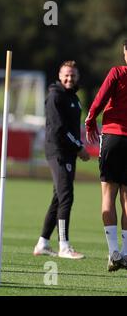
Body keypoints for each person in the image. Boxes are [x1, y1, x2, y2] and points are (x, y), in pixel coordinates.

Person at [33, 61, 90, 260]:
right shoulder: (55, 96)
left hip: (67, 153)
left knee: (59, 197)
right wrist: (79, 146)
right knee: (66, 196)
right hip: (57, 152)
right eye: (66, 75)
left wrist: (77, 145)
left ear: (77, 77)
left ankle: (42, 243)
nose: (69, 78)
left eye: (72, 75)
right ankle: (64, 246)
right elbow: (59, 129)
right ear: (59, 75)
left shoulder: (73, 97)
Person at [85, 40, 127, 272]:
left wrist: (90, 120)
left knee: (108, 194)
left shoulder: (118, 72)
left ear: (124, 52)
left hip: (113, 137)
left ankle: (113, 252)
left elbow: (99, 99)